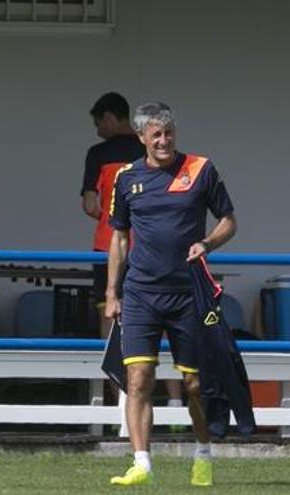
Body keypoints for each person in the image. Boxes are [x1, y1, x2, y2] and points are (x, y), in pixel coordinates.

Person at [105, 102, 237, 486]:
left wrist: (208, 243)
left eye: (169, 133)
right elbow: (119, 238)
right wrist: (112, 293)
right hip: (141, 294)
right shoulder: (127, 178)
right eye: (156, 134)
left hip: (188, 295)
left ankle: (203, 452)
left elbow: (229, 221)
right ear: (142, 137)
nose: (164, 141)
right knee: (138, 379)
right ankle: (141, 463)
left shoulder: (201, 169)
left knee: (195, 383)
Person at [80, 92, 187, 415]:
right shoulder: (151, 152)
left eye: (99, 123)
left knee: (111, 326)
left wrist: (113, 216)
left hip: (109, 246)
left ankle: (121, 406)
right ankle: (175, 401)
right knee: (166, 327)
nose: (99, 130)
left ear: (110, 118)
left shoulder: (98, 154)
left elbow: (89, 205)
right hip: (155, 249)